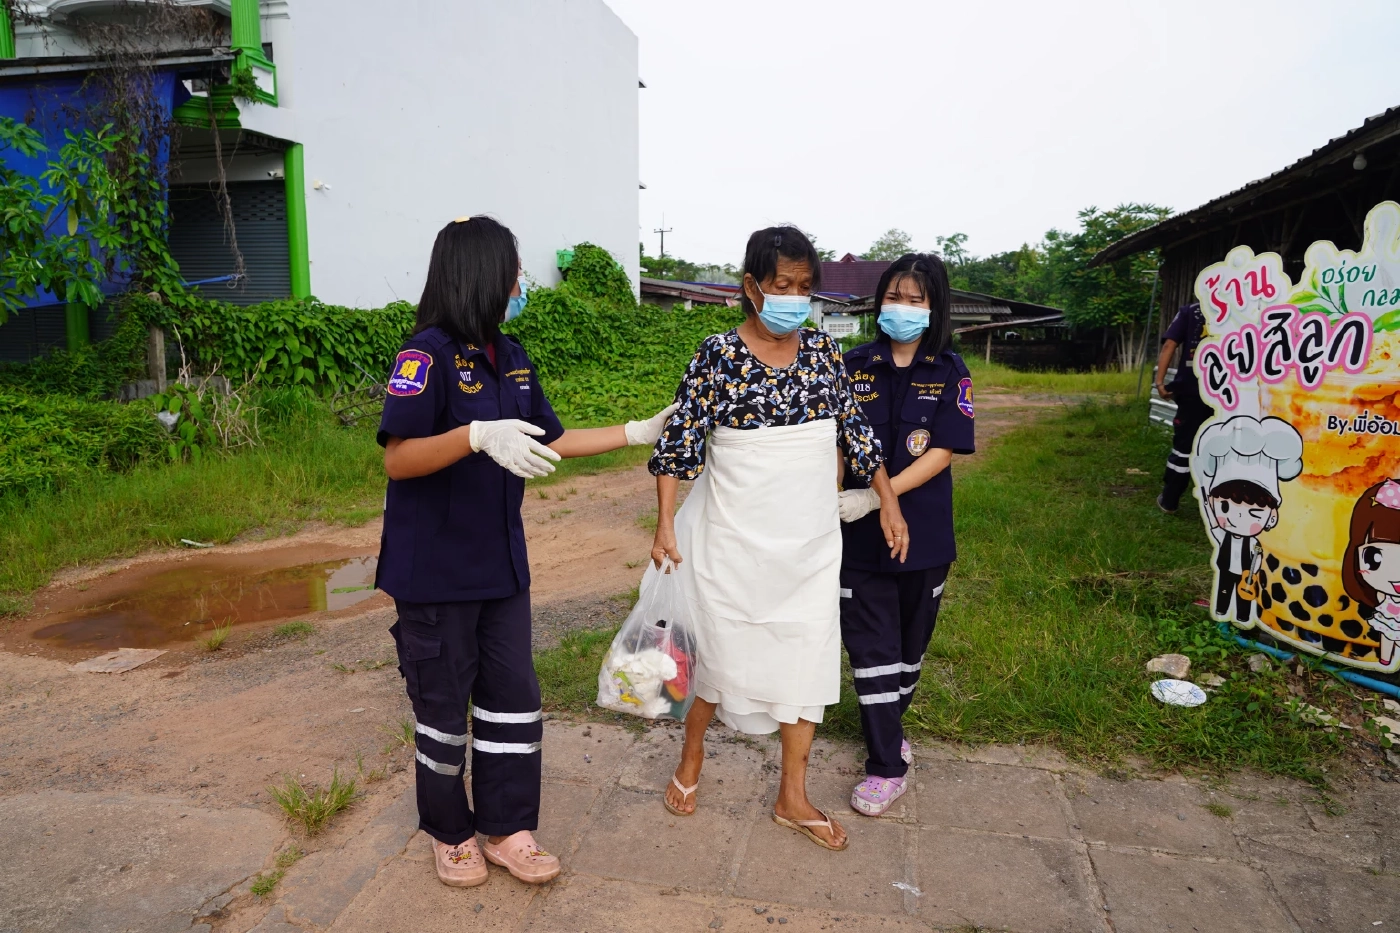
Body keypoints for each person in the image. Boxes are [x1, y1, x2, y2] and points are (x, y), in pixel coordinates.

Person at [376, 216, 675, 888]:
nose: (521, 284)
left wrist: (635, 430)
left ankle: (509, 828)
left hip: (501, 568)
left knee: (514, 700)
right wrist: (474, 434)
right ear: (479, 274)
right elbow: (399, 459)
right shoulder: (424, 356)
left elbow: (551, 439)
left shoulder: (511, 355)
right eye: (513, 271)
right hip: (434, 572)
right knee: (443, 707)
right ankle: (450, 833)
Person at [648, 224, 909, 851]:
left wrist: (888, 501)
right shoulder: (716, 355)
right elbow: (678, 444)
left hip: (809, 544)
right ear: (751, 288)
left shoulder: (821, 351)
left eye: (804, 286)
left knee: (804, 657)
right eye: (782, 285)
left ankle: (792, 794)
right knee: (715, 654)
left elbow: (857, 434)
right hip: (730, 539)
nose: (795, 296)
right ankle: (691, 758)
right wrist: (663, 523)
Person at [834, 253, 974, 817]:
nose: (902, 308)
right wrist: (845, 498)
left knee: (909, 653)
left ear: (934, 306)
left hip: (925, 536)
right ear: (878, 303)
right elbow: (840, 444)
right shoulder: (851, 364)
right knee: (871, 651)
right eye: (894, 297)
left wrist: (879, 494)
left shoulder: (950, 369)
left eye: (915, 299)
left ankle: (891, 725)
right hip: (857, 539)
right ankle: (885, 764)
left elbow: (942, 451)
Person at [1155, 301, 1211, 513]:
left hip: (1192, 389)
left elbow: (1170, 344)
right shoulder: (1245, 309)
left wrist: (1160, 382)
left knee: (1184, 446)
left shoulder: (1192, 310)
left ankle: (1169, 500)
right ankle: (1221, 506)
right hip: (1231, 393)